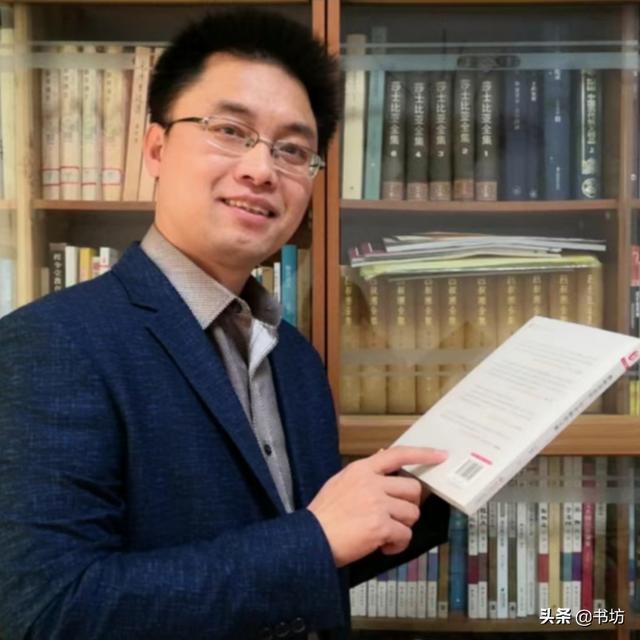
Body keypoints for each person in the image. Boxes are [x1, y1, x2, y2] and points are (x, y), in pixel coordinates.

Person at [0, 9, 449, 639]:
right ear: (156, 148)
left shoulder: (293, 355)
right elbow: (47, 612)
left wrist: (430, 493)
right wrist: (315, 539)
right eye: (231, 131)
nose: (261, 170)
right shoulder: (51, 344)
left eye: (293, 150)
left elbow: (305, 560)